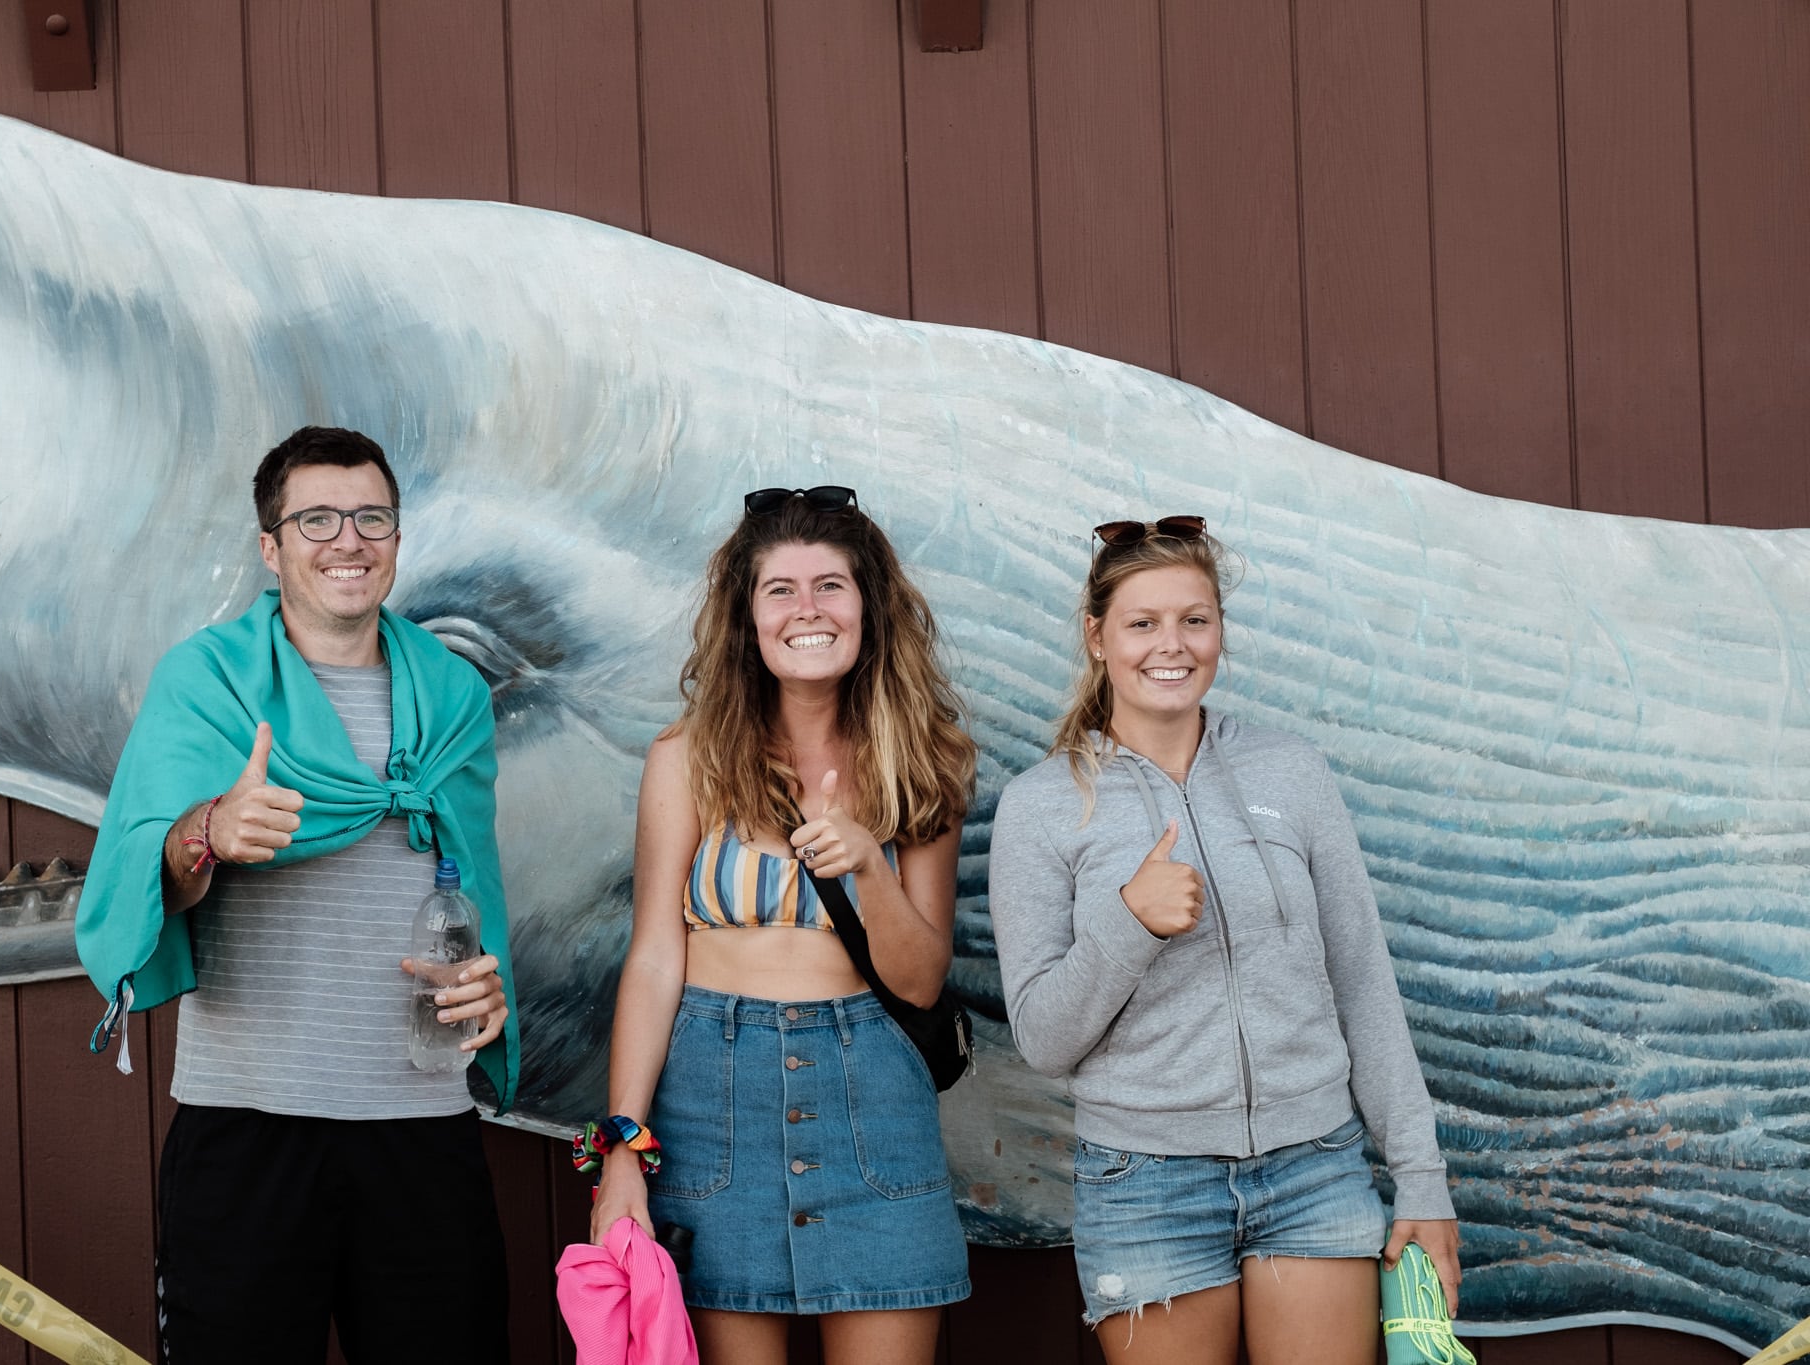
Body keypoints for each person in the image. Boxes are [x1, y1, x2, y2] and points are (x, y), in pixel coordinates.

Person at [74, 426, 518, 1364]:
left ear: (397, 538)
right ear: (271, 548)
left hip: (421, 1130)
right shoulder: (205, 682)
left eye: (371, 517)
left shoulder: (453, 695)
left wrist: (488, 986)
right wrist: (210, 831)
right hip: (248, 1128)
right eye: (316, 519)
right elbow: (140, 873)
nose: (347, 539)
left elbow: (476, 889)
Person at [987, 516, 1460, 1365]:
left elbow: (1361, 980)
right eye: (1143, 622)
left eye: (1195, 619)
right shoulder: (1041, 805)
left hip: (1314, 1164)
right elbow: (1043, 1038)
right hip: (1146, 1184)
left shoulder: (1291, 771)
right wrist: (1127, 921)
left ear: (1219, 631)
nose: (1172, 644)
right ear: (1098, 637)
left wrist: (1421, 1177)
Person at [589, 485, 976, 1365]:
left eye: (831, 585)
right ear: (747, 620)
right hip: (713, 1096)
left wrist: (869, 866)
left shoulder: (929, 761)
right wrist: (619, 1150)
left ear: (869, 609)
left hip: (872, 1092)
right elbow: (653, 958)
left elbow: (918, 979)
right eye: (781, 589)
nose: (808, 608)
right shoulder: (686, 758)